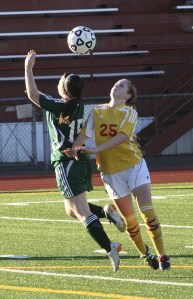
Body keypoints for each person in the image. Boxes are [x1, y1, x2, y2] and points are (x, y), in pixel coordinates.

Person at [24, 50, 124, 271]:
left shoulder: (59, 105)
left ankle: (110, 246)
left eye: (62, 80)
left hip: (66, 162)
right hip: (78, 161)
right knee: (71, 210)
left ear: (64, 89)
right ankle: (107, 212)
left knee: (81, 212)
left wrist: (28, 68)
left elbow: (32, 94)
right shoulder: (77, 104)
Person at [65, 78, 170, 271]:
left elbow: (121, 138)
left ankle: (162, 255)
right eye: (116, 83)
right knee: (130, 221)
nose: (116, 85)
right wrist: (74, 149)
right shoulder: (97, 111)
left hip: (133, 166)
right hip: (111, 173)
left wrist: (95, 149)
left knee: (147, 211)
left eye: (122, 85)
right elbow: (83, 136)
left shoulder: (129, 112)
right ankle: (145, 254)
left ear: (128, 95)